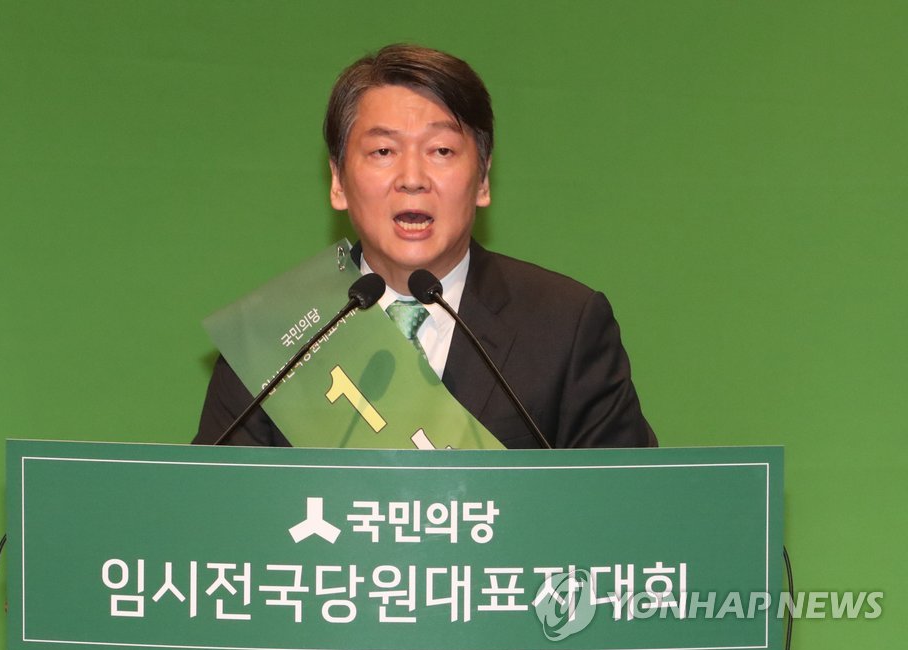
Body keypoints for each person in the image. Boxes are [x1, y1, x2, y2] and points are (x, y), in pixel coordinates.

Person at [194, 44, 656, 449]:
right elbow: (216, 505)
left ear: (483, 178)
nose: (412, 179)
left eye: (441, 151)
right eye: (383, 152)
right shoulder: (274, 339)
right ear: (337, 181)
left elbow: (624, 505)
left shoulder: (564, 326)